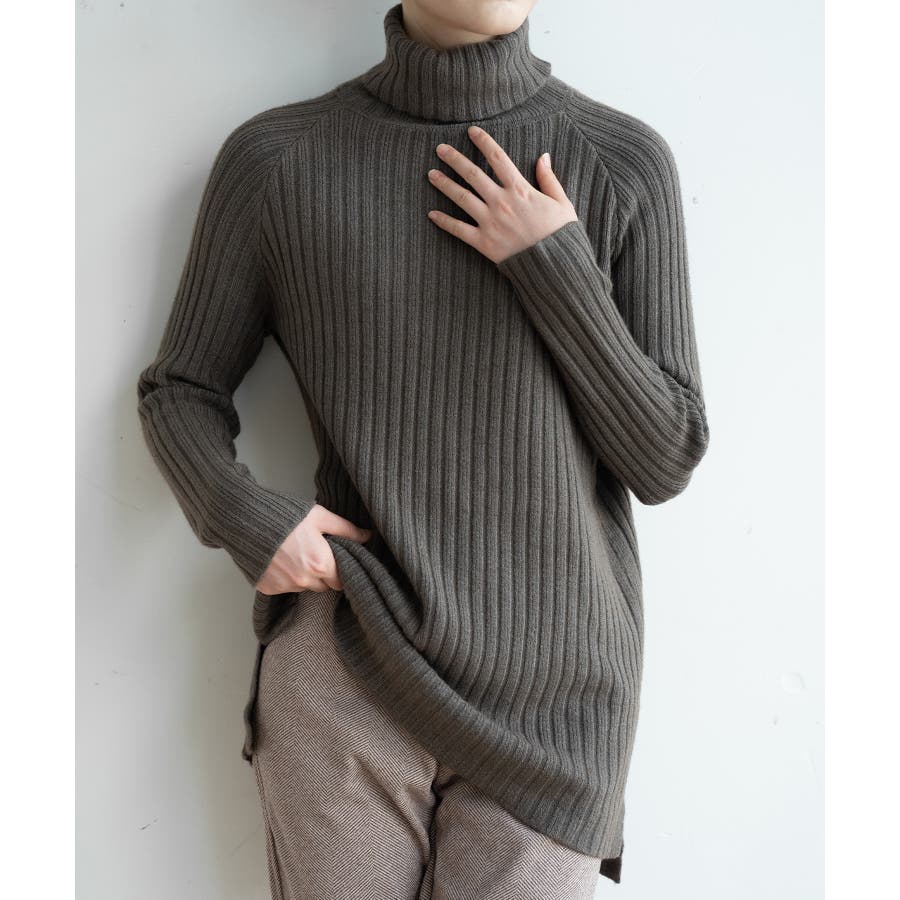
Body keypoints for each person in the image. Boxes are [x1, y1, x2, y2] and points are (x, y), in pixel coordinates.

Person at [136, 0, 710, 896]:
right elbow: (180, 389)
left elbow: (665, 457)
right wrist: (248, 519)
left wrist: (554, 266)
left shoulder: (619, 162)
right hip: (348, 665)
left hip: (558, 706)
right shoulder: (280, 160)